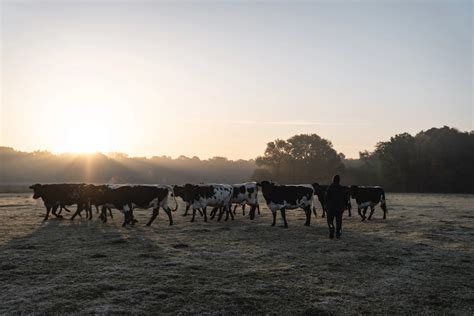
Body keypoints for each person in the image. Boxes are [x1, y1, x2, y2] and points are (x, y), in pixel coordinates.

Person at [325, 175, 344, 239]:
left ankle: (331, 229)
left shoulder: (330, 187)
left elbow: (326, 198)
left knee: (330, 221)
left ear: (333, 180)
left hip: (331, 208)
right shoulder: (341, 188)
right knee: (339, 222)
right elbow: (345, 198)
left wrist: (326, 206)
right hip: (339, 208)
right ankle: (338, 234)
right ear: (339, 180)